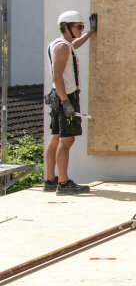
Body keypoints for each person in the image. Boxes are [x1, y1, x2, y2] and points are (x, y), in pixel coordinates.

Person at [43, 10, 97, 194]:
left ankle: (50, 180)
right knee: (67, 140)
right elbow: (57, 75)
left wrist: (91, 32)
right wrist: (66, 102)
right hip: (66, 96)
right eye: (79, 27)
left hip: (58, 95)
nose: (81, 30)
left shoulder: (61, 44)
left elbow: (75, 44)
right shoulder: (63, 47)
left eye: (82, 27)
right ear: (66, 27)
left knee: (56, 137)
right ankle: (64, 183)